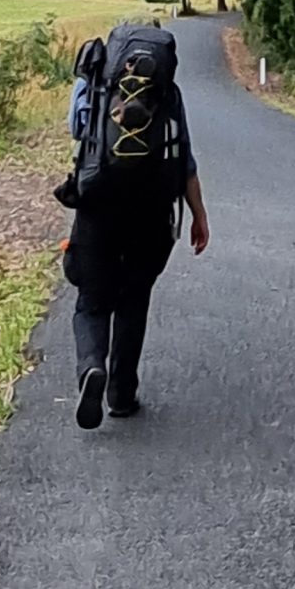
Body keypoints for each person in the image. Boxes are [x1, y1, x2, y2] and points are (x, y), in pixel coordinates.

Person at [62, 38, 210, 428]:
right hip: (152, 208)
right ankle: (121, 395)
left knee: (92, 302)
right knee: (134, 299)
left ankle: (92, 367)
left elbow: (77, 129)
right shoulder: (168, 95)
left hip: (98, 204)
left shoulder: (96, 80)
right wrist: (199, 215)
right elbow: (184, 160)